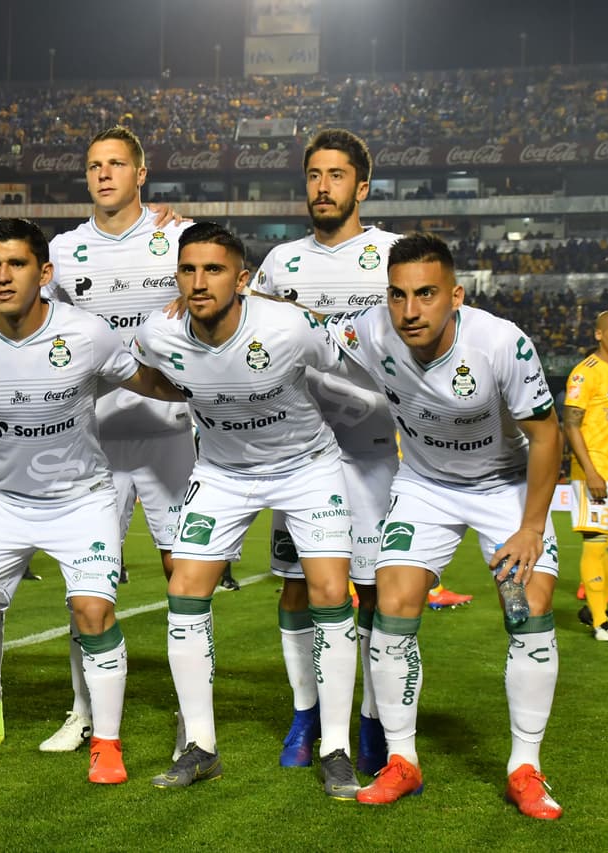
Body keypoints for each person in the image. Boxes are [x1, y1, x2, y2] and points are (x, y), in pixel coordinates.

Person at [0, 217, 186, 785]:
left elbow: (150, 383)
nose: (3, 276)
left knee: (92, 612)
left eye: (16, 264)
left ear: (45, 273)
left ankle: (106, 745)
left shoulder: (87, 333)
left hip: (80, 501)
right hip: (5, 500)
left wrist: (208, 384)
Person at [250, 128, 469, 775]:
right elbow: (245, 330)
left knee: (374, 589)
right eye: (314, 174)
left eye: (336, 175)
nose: (323, 186)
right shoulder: (281, 265)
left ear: (362, 186)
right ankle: (307, 715)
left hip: (379, 453)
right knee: (297, 589)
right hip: (301, 452)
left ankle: (373, 718)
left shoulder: (391, 257)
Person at [328, 234, 563, 819]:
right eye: (399, 295)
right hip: (426, 487)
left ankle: (525, 767)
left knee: (526, 610)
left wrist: (531, 528)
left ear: (455, 295)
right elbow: (305, 325)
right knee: (393, 603)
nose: (410, 311)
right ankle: (402, 761)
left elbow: (547, 435)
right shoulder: (371, 329)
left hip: (503, 490)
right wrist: (243, 292)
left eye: (427, 295)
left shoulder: (501, 343)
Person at [134, 222, 360, 799]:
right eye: (188, 270)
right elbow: (156, 376)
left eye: (213, 270)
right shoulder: (158, 333)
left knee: (330, 592)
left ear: (242, 279)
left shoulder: (287, 325)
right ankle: (201, 747)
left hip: (307, 468)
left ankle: (336, 748)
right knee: (185, 589)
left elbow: (343, 362)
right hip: (222, 474)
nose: (198, 281)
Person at [43, 125, 196, 755]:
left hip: (170, 433)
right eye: (93, 165)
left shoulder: (176, 235)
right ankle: (83, 712)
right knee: (86, 580)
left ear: (141, 175)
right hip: (92, 439)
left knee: (183, 574)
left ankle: (193, 719)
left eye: (116, 165)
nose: (103, 174)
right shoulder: (65, 248)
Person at [563, 311, 608, 640]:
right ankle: (600, 623)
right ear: (598, 334)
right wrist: (591, 473)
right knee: (596, 543)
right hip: (595, 470)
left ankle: (596, 608)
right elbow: (571, 424)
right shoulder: (585, 374)